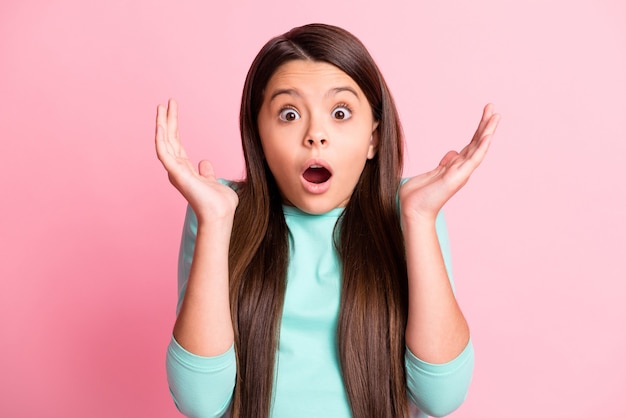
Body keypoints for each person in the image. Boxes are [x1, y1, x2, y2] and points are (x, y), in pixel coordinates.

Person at [155, 23, 500, 418]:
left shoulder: (413, 211)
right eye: (288, 114)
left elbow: (442, 397)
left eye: (340, 112)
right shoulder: (218, 210)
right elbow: (200, 402)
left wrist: (420, 218)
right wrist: (215, 222)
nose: (315, 134)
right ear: (259, 136)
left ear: (373, 137)